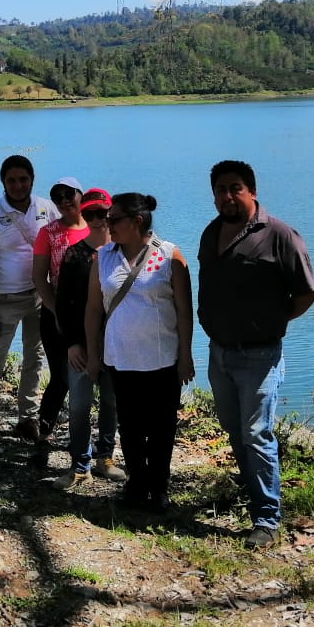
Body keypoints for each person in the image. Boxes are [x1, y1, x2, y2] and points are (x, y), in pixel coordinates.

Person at [197, 160, 314, 549]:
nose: (227, 196)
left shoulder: (280, 235)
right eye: (220, 190)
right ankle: (252, 490)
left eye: (235, 188)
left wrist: (270, 322)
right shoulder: (211, 233)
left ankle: (266, 518)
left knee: (256, 433)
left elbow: (306, 294)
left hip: (259, 355)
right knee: (235, 431)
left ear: (251, 191)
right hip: (220, 352)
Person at [85, 192, 193, 511]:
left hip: (163, 360)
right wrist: (93, 354)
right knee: (130, 427)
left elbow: (184, 310)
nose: (108, 224)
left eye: (114, 219)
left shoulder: (170, 255)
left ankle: (158, 488)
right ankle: (136, 485)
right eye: (107, 218)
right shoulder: (102, 257)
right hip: (120, 358)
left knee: (161, 428)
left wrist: (186, 356)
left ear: (138, 221)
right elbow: (93, 310)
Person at [0, 155, 60, 457]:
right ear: (3, 183)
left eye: (23, 179)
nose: (18, 185)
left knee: (35, 359)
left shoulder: (47, 208)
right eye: (11, 180)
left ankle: (27, 418)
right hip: (4, 299)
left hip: (39, 295)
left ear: (32, 179)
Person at [50, 188, 125, 490]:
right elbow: (63, 304)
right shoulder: (74, 255)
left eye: (102, 214)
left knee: (111, 402)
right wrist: (71, 343)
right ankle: (80, 464)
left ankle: (105, 457)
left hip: (116, 345)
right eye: (90, 214)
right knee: (79, 406)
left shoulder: (122, 253)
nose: (97, 220)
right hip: (81, 345)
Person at [32, 176, 91, 461]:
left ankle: (87, 443)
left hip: (93, 315)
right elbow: (39, 279)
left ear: (81, 194)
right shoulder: (49, 232)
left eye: (70, 194)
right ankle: (44, 435)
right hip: (56, 313)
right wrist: (57, 312)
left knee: (94, 376)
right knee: (61, 378)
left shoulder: (97, 227)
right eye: (58, 197)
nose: (65, 200)